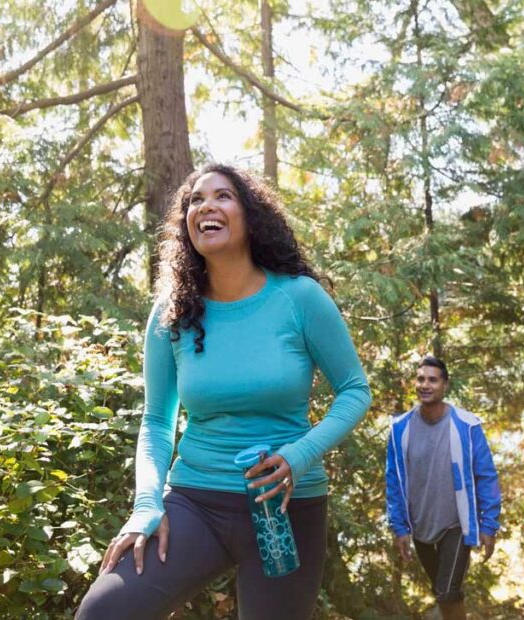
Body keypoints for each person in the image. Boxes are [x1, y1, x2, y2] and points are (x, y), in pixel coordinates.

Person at [76, 164, 372, 619]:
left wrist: (298, 455)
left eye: (223, 196)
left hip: (286, 508)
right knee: (105, 611)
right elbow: (157, 420)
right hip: (196, 501)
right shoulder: (173, 310)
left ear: (251, 215)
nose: (206, 206)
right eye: (195, 199)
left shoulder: (300, 298)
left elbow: (354, 391)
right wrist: (146, 505)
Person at [385, 356, 501, 620]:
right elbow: (394, 480)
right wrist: (399, 528)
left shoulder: (466, 425)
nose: (425, 385)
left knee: (447, 591)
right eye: (421, 379)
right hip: (421, 526)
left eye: (433, 380)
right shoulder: (399, 429)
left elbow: (486, 476)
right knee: (444, 593)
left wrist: (489, 524)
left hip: (456, 523)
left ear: (445, 385)